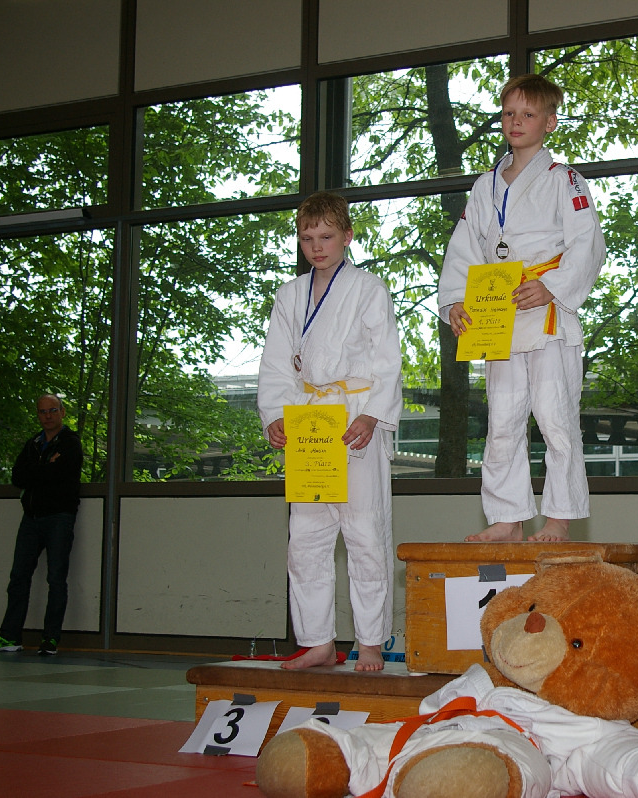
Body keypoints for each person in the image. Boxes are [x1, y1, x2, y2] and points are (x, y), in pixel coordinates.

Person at [438, 73, 606, 543]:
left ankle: (559, 518)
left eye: (528, 114)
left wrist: (552, 287)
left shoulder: (565, 179)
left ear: (549, 123)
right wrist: (454, 300)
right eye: (509, 113)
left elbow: (588, 243)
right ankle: (508, 516)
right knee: (503, 422)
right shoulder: (484, 186)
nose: (516, 121)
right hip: (498, 315)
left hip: (546, 312)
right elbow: (463, 248)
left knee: (555, 419)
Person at [257, 191, 402, 671]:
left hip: (355, 418)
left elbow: (387, 360)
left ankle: (371, 642)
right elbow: (276, 363)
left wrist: (372, 414)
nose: (316, 247)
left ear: (347, 236)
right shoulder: (289, 295)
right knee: (306, 539)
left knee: (365, 533)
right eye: (307, 238)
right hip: (308, 422)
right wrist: (275, 414)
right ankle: (317, 641)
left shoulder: (369, 289)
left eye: (326, 236)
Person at [0, 393, 83, 655]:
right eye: (42, 411)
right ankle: (10, 636)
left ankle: (50, 639)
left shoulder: (71, 442)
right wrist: (46, 467)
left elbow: (60, 475)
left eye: (52, 410)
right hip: (30, 518)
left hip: (59, 518)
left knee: (56, 579)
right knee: (18, 577)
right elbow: (18, 478)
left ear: (62, 412)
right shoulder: (33, 443)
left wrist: (38, 472)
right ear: (38, 415)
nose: (47, 416)